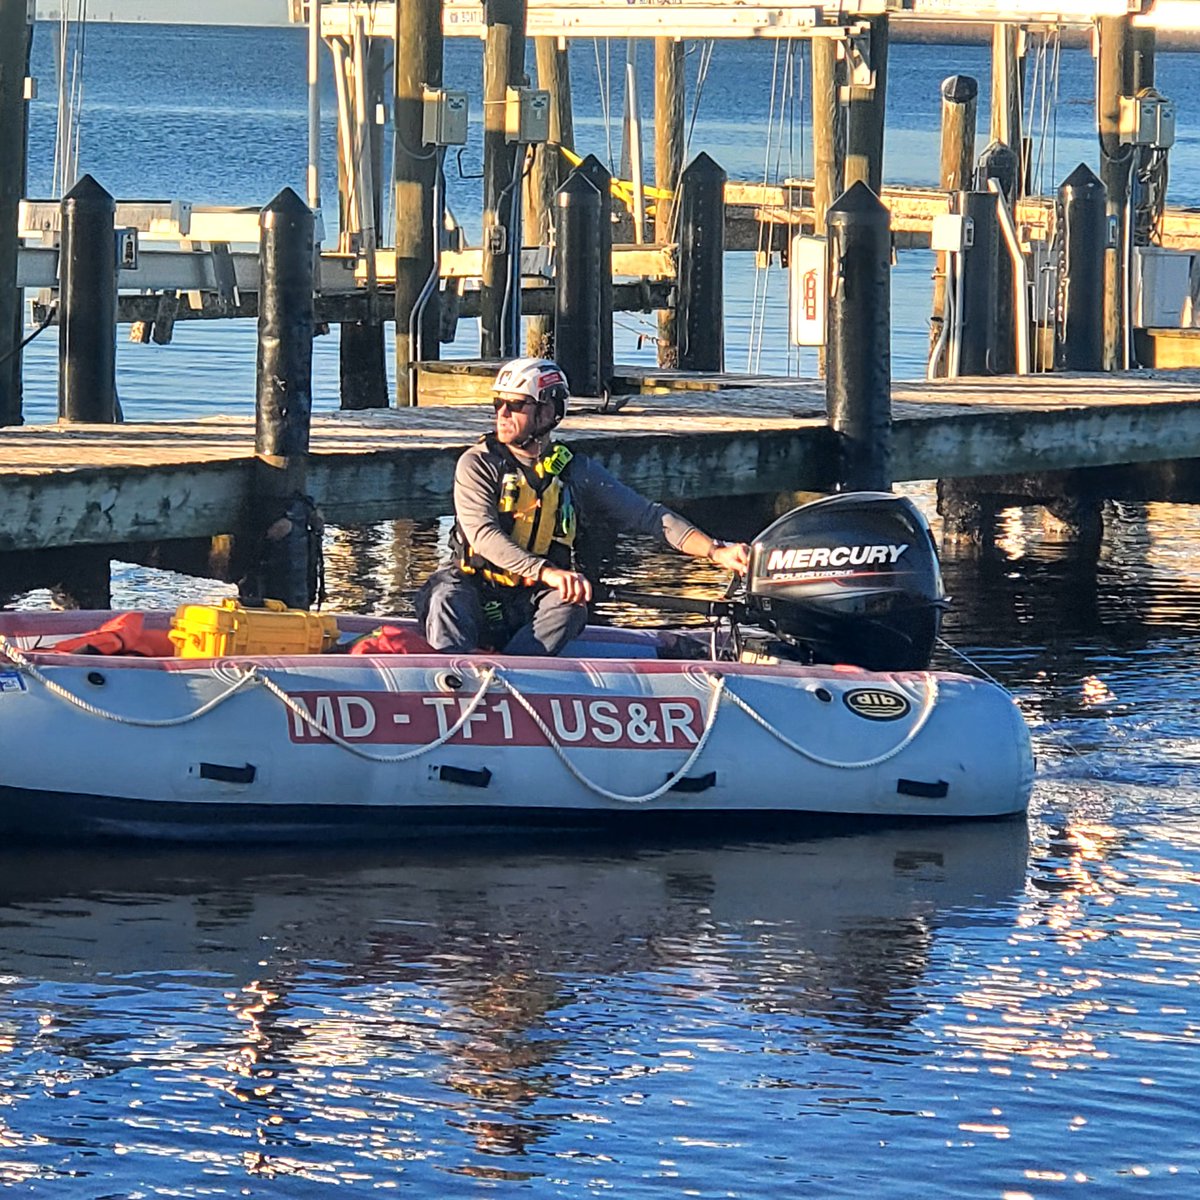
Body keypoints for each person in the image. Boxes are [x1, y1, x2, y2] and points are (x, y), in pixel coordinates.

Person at [415, 357, 751, 657]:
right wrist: (547, 571)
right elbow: (483, 534)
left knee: (571, 604)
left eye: (515, 406)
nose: (501, 414)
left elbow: (647, 516)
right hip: (474, 589)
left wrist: (715, 550)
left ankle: (514, 677)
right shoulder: (477, 464)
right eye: (497, 404)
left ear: (547, 412)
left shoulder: (575, 470)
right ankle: (449, 680)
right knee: (446, 595)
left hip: (527, 601)